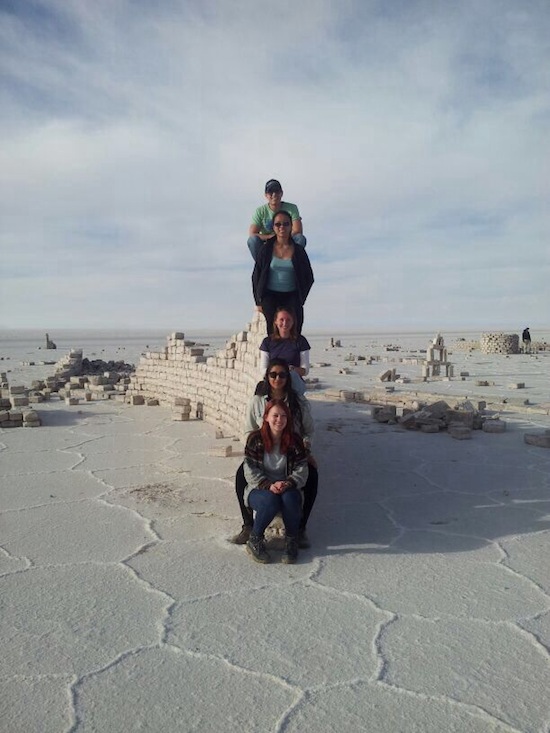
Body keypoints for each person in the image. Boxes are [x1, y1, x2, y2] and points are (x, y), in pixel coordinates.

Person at [232, 358, 318, 549]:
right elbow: (248, 429)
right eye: (273, 374)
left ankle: (300, 528)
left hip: (293, 451)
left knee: (312, 475)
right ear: (267, 377)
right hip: (264, 450)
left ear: (288, 377)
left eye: (282, 375)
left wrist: (305, 449)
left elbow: (309, 430)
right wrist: (255, 447)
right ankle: (248, 526)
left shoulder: (297, 403)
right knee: (241, 475)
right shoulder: (257, 402)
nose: (277, 378)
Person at [243, 399, 308, 564]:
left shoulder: (294, 441)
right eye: (275, 415)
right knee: (270, 500)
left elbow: (302, 468)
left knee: (291, 498)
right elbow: (249, 470)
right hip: (259, 489)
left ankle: (291, 540)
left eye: (284, 416)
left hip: (287, 487)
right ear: (266, 417)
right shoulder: (255, 439)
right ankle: (255, 539)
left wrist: (287, 483)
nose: (279, 420)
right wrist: (268, 485)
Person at [252, 209, 314, 335]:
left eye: (286, 224)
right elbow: (256, 276)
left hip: (292, 295)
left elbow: (309, 277)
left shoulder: (298, 251)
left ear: (291, 226)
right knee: (273, 332)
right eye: (278, 224)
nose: (282, 227)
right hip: (270, 295)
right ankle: (274, 355)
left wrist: (301, 298)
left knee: (294, 331)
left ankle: (293, 354)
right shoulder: (266, 249)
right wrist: (258, 301)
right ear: (273, 227)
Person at [247, 179, 306, 261]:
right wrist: (272, 238)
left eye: (277, 191)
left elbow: (297, 230)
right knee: (253, 241)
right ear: (266, 195)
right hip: (267, 244)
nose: (274, 195)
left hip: (287, 242)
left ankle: (293, 265)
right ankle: (262, 267)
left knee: (300, 238)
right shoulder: (260, 211)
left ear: (281, 193)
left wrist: (281, 238)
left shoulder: (292, 208)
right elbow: (252, 234)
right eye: (270, 192)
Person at [260, 307, 310, 395]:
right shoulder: (267, 342)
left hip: (293, 381)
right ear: (275, 321)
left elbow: (305, 370)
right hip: (274, 380)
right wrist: (279, 372)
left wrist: (289, 370)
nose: (285, 323)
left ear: (293, 322)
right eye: (281, 320)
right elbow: (263, 369)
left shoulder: (301, 341)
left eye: (288, 320)